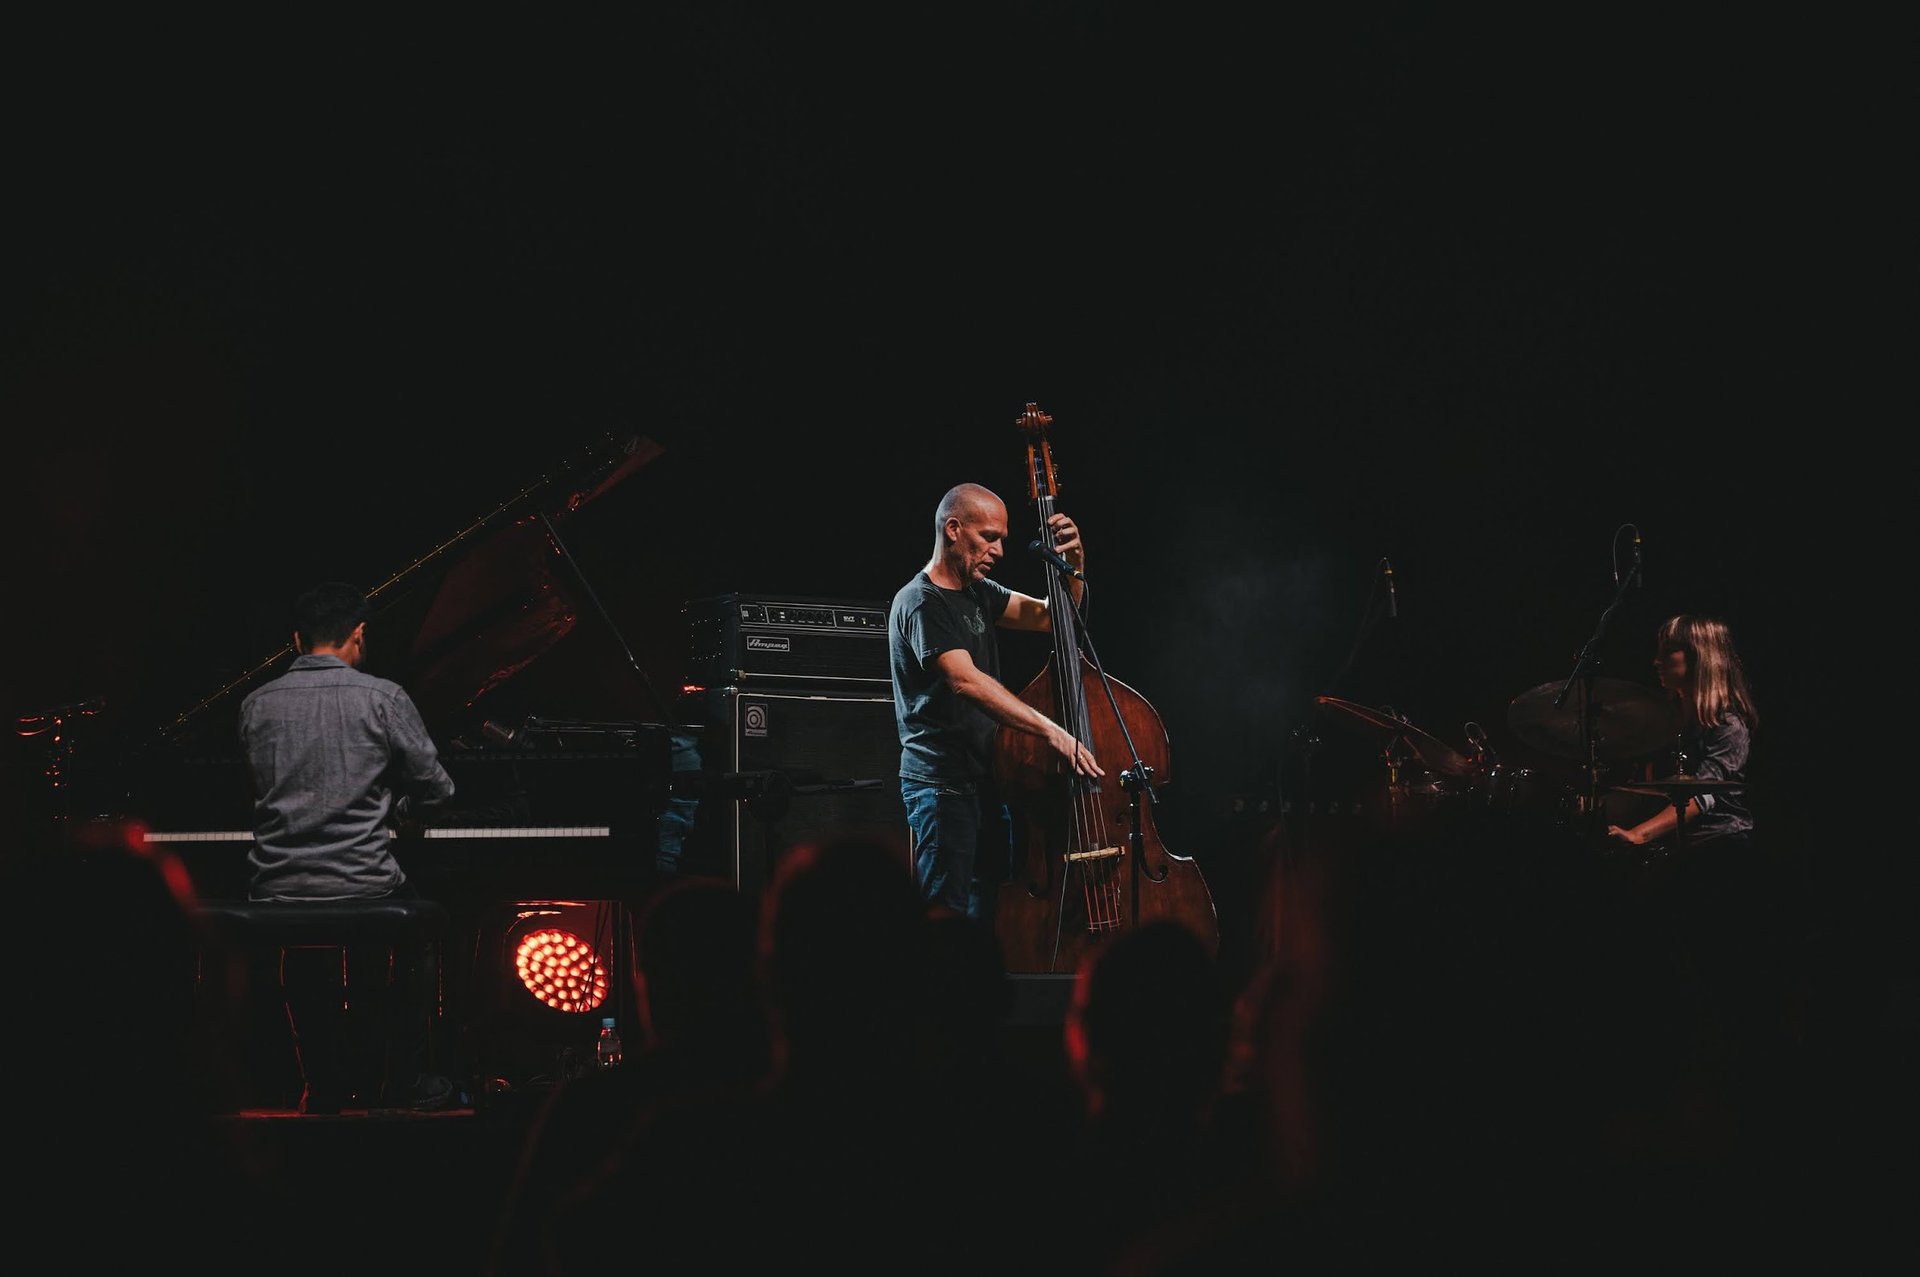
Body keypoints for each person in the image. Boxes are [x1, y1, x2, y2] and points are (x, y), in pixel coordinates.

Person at [236, 580, 458, 1112]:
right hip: (364, 881)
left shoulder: (255, 704)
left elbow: (258, 790)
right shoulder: (382, 697)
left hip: (278, 885)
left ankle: (322, 1085)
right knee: (419, 931)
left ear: (296, 639)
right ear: (359, 634)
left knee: (305, 943)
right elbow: (438, 789)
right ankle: (400, 1080)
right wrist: (400, 814)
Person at [888, 482, 1103, 924]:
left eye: (1002, 538)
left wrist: (1075, 563)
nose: (1000, 550)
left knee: (988, 912)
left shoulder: (979, 592)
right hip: (941, 787)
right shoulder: (920, 602)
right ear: (953, 529)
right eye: (989, 537)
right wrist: (1051, 729)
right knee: (945, 917)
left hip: (987, 782)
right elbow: (965, 681)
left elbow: (1054, 619)